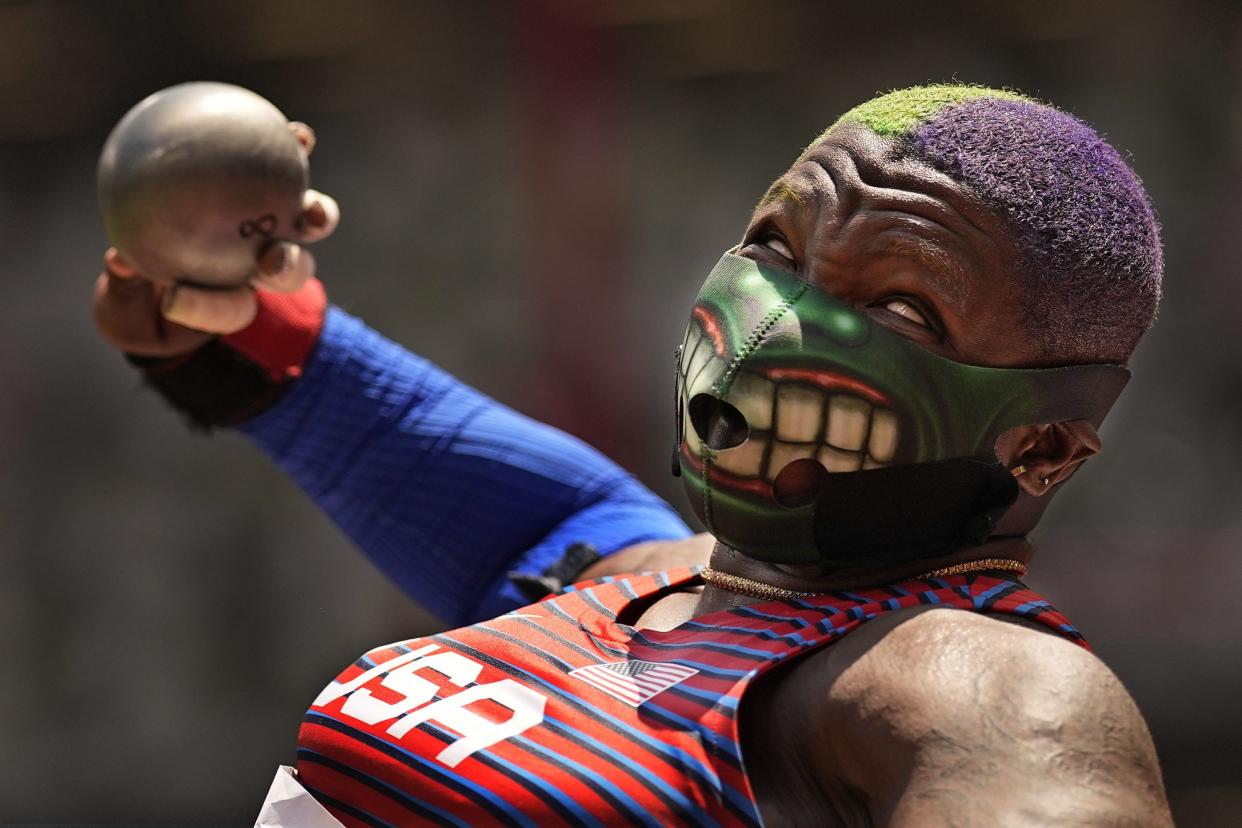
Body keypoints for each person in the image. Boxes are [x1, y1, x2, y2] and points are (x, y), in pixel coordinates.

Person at [95, 85, 1173, 826]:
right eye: (775, 247)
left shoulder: (988, 686)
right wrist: (227, 298)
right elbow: (381, 423)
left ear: (1040, 445)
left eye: (901, 305)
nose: (773, 324)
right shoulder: (634, 573)